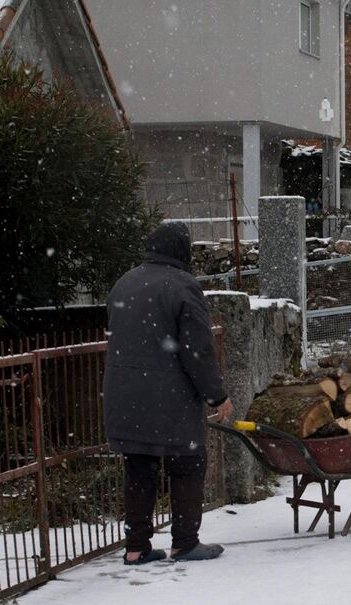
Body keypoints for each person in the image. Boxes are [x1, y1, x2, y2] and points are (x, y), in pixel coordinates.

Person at [103, 222, 234, 565]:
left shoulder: (124, 282)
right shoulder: (183, 286)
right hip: (169, 398)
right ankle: (185, 543)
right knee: (188, 463)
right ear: (182, 250)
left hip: (124, 396)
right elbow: (197, 350)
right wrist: (217, 396)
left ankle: (136, 548)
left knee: (139, 468)